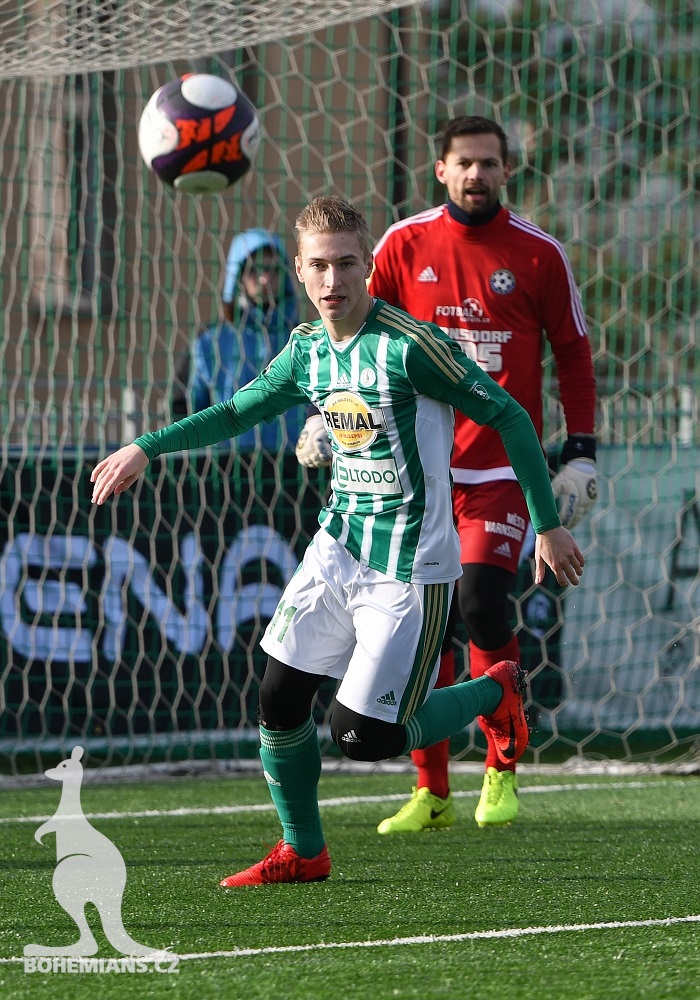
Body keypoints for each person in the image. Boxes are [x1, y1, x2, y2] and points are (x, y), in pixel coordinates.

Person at [90, 195, 585, 886]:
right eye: (319, 266)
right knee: (278, 700)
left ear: (369, 266)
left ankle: (493, 690)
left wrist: (549, 522)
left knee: (361, 735)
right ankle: (305, 850)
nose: (333, 281)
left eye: (347, 264)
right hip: (338, 548)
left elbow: (508, 414)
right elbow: (235, 411)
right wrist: (147, 445)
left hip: (410, 568)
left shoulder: (409, 347)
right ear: (300, 270)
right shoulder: (305, 351)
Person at [367, 115, 597, 832]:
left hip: (502, 468)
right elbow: (357, 335)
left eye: (489, 163)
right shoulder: (402, 245)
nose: (476, 175)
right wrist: (328, 415)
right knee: (418, 630)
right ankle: (431, 793)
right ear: (440, 170)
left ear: (507, 171)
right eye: (463, 163)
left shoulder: (538, 255)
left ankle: (501, 765)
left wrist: (581, 450)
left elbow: (575, 353)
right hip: (419, 470)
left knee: (478, 602)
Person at [173, 227, 303, 451]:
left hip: (295, 466)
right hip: (226, 468)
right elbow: (185, 409)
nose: (264, 278)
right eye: (254, 270)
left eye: (273, 270)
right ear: (238, 276)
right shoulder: (209, 341)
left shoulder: (303, 339)